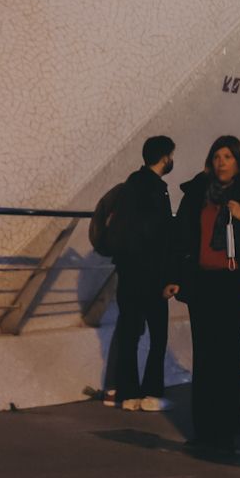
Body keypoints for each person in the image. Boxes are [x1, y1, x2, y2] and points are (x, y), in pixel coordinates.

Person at [168, 135, 240, 455]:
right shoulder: (197, 194)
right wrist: (175, 277)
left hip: (236, 285)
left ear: (239, 161)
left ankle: (225, 432)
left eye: (228, 157)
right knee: (204, 357)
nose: (221, 162)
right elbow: (182, 239)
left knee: (226, 357)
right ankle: (204, 430)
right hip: (203, 283)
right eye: (217, 156)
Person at [101, 134, 177, 411]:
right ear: (164, 157)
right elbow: (161, 236)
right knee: (158, 337)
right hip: (153, 275)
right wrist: (168, 274)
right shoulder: (156, 189)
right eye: (170, 155)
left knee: (130, 334)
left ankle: (128, 393)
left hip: (128, 273)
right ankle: (151, 393)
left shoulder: (130, 186)